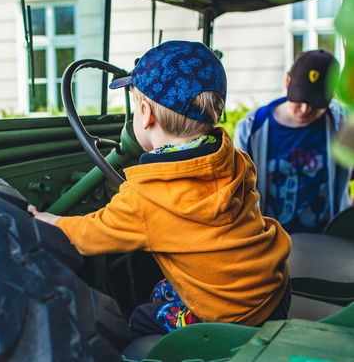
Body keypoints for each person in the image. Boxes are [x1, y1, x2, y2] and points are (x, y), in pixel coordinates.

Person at [29, 40, 291, 338]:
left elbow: (86, 236)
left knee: (140, 317)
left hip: (228, 321)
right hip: (273, 292)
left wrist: (49, 220)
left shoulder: (145, 198)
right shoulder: (236, 160)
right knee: (161, 288)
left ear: (146, 113)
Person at [234, 50, 351, 234]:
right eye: (301, 99)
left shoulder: (342, 124)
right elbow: (239, 193)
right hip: (270, 240)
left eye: (315, 103)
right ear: (287, 82)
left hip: (328, 241)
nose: (305, 109)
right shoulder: (251, 129)